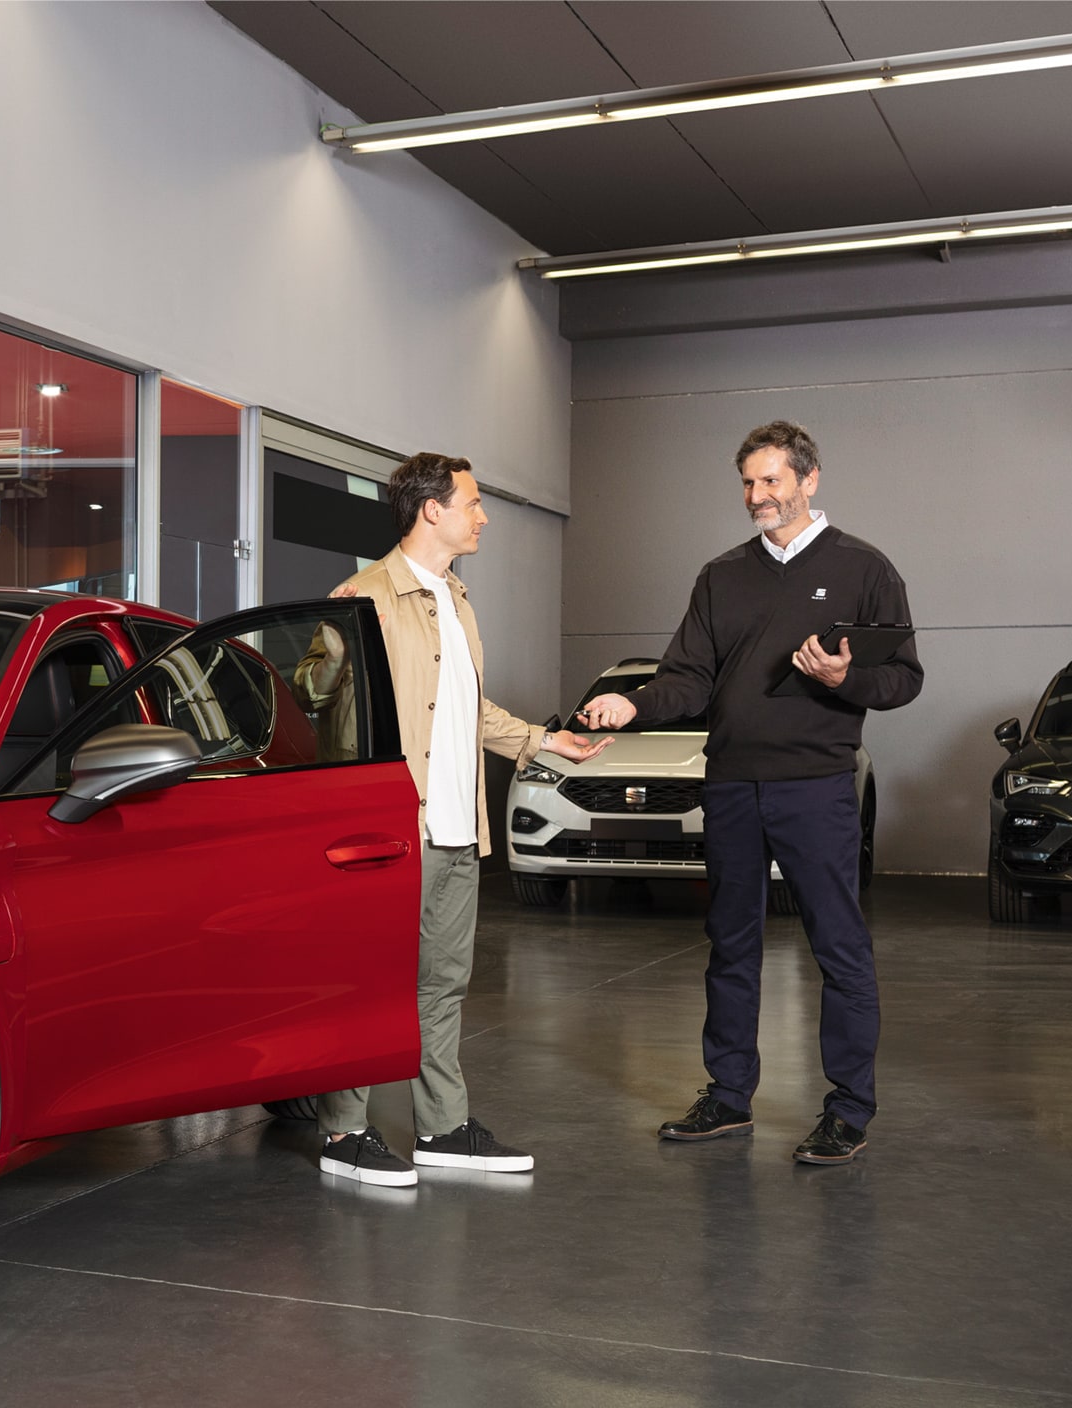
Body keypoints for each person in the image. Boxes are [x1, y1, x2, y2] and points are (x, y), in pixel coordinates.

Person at [576, 421, 920, 1165]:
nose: (756, 496)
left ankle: (848, 1110)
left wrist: (843, 679)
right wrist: (632, 706)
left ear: (810, 478)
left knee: (839, 948)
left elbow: (902, 679)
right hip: (731, 785)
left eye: (770, 480)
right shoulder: (720, 575)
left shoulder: (865, 568)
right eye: (747, 482)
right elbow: (688, 677)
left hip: (816, 787)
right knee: (730, 945)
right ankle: (728, 1098)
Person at [304, 453, 613, 1187]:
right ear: (430, 510)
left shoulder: (456, 598)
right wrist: (339, 629)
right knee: (370, 980)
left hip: (453, 828)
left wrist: (544, 742)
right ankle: (343, 1130)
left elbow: (470, 712)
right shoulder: (367, 593)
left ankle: (441, 1128)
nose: (483, 516)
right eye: (472, 503)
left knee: (441, 983)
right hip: (388, 834)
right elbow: (308, 693)